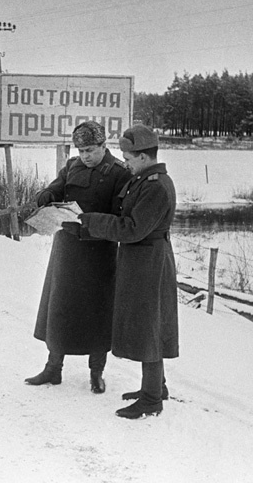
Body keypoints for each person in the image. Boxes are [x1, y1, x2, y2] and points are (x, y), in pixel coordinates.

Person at [67, 125, 178, 419]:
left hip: (149, 262)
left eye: (128, 157)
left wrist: (91, 220)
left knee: (148, 328)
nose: (125, 162)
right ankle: (157, 387)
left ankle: (152, 399)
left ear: (143, 156)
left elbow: (132, 228)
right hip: (143, 259)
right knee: (149, 324)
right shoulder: (144, 179)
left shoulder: (154, 185)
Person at [26, 120, 131, 394]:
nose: (85, 156)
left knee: (97, 314)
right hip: (68, 250)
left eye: (90, 150)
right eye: (81, 150)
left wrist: (91, 222)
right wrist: (46, 196)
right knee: (60, 309)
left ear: (103, 146)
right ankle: (53, 369)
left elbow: (121, 218)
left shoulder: (120, 173)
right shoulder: (72, 166)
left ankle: (96, 374)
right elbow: (56, 188)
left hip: (99, 254)